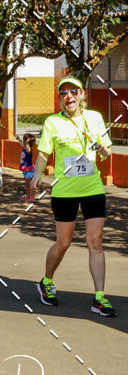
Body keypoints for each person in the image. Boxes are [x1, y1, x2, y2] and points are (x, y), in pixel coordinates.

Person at [30, 76, 115, 317]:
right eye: (63, 93)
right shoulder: (52, 123)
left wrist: (103, 150)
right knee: (64, 242)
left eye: (73, 91)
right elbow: (44, 153)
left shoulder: (95, 118)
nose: (69, 96)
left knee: (95, 241)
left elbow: (107, 151)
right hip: (64, 192)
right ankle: (46, 281)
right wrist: (37, 174)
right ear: (60, 99)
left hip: (93, 189)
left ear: (81, 95)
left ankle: (99, 298)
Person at [19, 133, 36, 201]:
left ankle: (32, 196)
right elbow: (21, 144)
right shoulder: (24, 147)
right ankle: (28, 196)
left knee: (30, 184)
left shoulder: (29, 149)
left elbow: (28, 149)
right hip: (25, 168)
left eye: (24, 140)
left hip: (28, 168)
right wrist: (18, 139)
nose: (23, 141)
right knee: (27, 184)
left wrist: (27, 142)